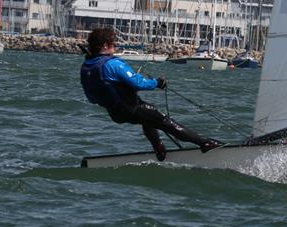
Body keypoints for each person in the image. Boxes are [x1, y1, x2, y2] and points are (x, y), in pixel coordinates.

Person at [80, 26, 220, 161]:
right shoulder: (112, 64)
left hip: (115, 113)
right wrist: (157, 83)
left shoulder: (88, 66)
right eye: (112, 44)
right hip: (131, 108)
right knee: (166, 123)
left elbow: (92, 98)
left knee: (148, 116)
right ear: (105, 45)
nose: (114, 46)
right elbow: (138, 83)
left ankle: (158, 148)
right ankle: (205, 144)